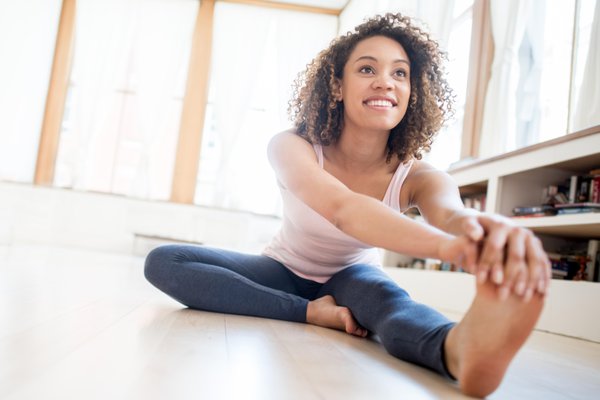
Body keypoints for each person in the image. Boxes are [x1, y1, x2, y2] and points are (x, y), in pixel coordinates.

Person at [144, 13, 550, 398]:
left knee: (391, 305)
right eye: (368, 69)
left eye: (400, 73)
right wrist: (448, 249)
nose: (385, 82)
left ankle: (456, 350)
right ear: (337, 86)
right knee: (165, 261)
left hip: (352, 275)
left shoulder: (419, 176)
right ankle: (307, 311)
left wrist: (486, 233)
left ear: (412, 92)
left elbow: (452, 215)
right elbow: (343, 209)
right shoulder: (293, 147)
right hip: (282, 268)